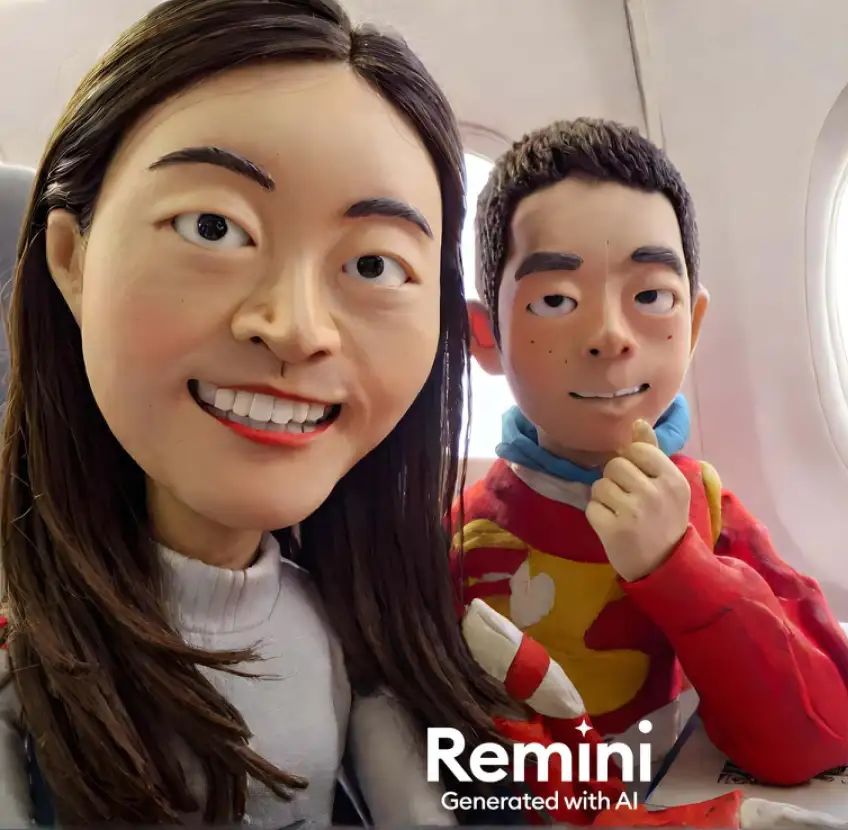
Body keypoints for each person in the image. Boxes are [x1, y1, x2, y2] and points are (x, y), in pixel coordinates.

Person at [0, 0, 511, 823]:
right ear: (71, 259)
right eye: (213, 227)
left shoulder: (347, 625)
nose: (297, 328)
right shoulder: (25, 636)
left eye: (374, 266)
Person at [454, 117, 848, 785]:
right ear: (486, 336)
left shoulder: (704, 509)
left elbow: (826, 732)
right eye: (556, 300)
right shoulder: (463, 539)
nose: (609, 335)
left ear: (694, 322)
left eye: (651, 296)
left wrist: (676, 566)